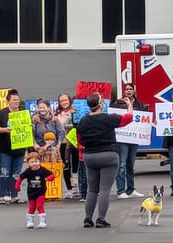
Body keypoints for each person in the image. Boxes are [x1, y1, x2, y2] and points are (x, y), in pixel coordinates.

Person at [76, 92, 133, 227]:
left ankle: (88, 219)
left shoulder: (83, 121)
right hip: (108, 155)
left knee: (92, 189)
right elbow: (128, 118)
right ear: (101, 104)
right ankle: (101, 219)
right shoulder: (108, 118)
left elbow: (79, 139)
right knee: (105, 189)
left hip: (89, 156)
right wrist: (129, 105)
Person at [111, 82, 145, 199]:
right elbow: (114, 117)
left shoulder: (139, 104)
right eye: (127, 89)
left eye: (131, 89)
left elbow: (144, 117)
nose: (128, 91)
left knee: (131, 164)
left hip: (134, 138)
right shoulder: (118, 103)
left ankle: (131, 189)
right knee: (122, 164)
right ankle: (121, 191)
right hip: (122, 139)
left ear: (134, 91)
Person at [0, 89, 26, 205]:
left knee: (16, 173)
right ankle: (2, 196)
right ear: (8, 101)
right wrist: (5, 130)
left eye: (17, 99)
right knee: (4, 172)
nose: (16, 102)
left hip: (20, 149)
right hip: (6, 149)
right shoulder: (2, 113)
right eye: (14, 100)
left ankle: (14, 195)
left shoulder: (23, 113)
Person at [14, 151, 57, 229]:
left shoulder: (43, 170)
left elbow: (52, 175)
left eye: (36, 161)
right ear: (28, 163)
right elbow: (21, 177)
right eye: (32, 162)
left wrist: (48, 178)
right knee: (32, 207)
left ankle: (42, 221)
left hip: (41, 192)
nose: (34, 164)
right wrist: (17, 185)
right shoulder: (28, 171)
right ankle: (30, 221)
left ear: (39, 161)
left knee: (39, 206)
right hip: (31, 192)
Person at [54, 93, 80, 199]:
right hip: (63, 143)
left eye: (65, 100)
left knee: (76, 166)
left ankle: (76, 188)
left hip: (74, 143)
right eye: (61, 101)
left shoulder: (76, 111)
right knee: (65, 166)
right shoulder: (56, 114)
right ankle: (69, 189)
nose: (64, 102)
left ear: (69, 100)